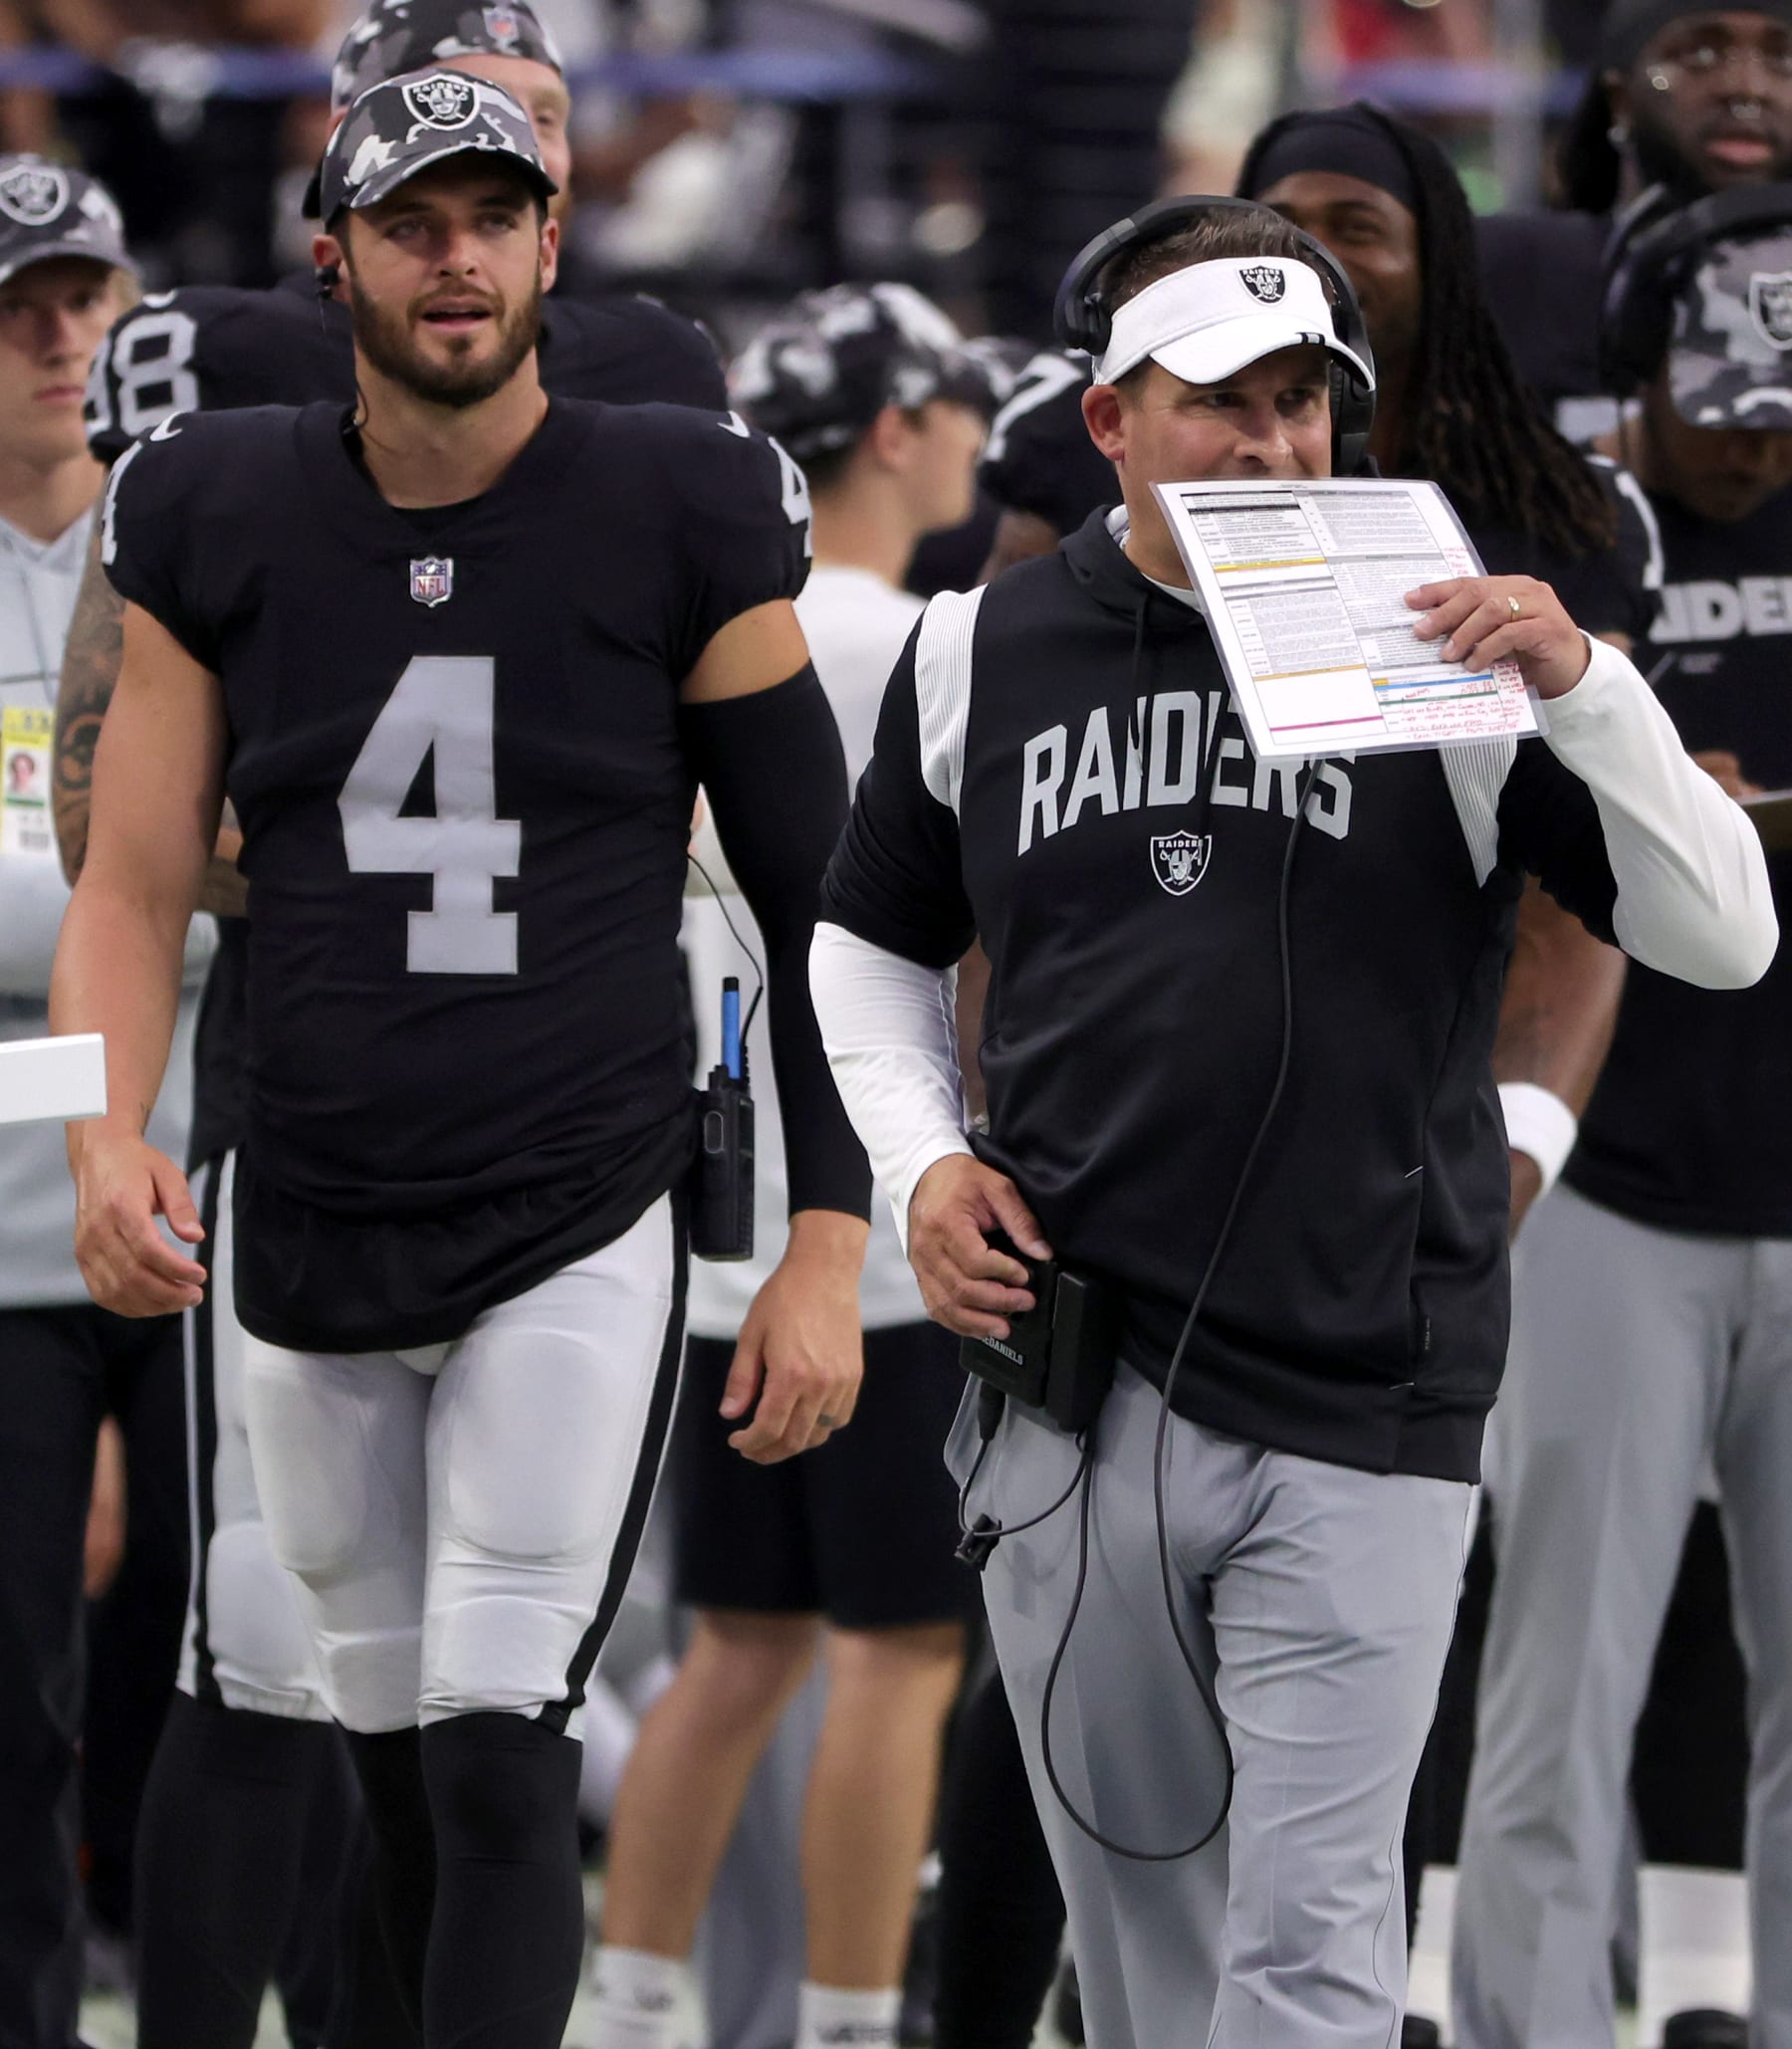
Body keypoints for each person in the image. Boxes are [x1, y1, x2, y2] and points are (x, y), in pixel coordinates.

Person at [807, 196, 1777, 2049]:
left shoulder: (1459, 649)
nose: (1270, 446)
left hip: (1366, 1373)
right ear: (1112, 422)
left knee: (1315, 1950)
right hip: (1074, 1381)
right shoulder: (978, 647)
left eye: (1304, 403)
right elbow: (864, 936)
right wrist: (922, 1157)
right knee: (1149, 1944)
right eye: (1217, 404)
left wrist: (1590, 690)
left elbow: (1723, 930)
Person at [52, 70, 870, 2049]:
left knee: (505, 1751)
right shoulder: (217, 507)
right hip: (306, 1195)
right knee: (362, 1736)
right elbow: (135, 878)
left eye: (496, 215)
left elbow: (818, 891)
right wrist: (98, 1139)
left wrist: (836, 1227)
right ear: (333, 252)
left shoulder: (678, 493)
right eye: (417, 220)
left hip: (573, 1198)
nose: (460, 256)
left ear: (552, 243)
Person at [587, 282, 992, 2049]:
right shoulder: (913, 635)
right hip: (879, 1216)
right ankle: (842, 2020)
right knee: (899, 1649)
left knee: (733, 1645)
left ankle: (627, 1998)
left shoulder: (668, 602)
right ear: (898, 426)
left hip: (706, 1192)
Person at [1453, 196, 1792, 2049]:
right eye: (1727, 387)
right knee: (1557, 1680)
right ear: (1635, 371)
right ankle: (1530, 2029)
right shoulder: (1585, 539)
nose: (1761, 433)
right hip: (1615, 1174)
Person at [0, 158, 211, 2049]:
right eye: (22, 306)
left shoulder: (203, 532)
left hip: (223, 1189)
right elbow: (116, 908)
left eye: (91, 296)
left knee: (243, 1648)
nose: (68, 337)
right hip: (7, 1233)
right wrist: (108, 1016)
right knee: (15, 1685)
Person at [1479, 0, 1792, 429]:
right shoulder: (1509, 269)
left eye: (1784, 58)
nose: (1746, 88)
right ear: (1620, 100)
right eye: (1700, 55)